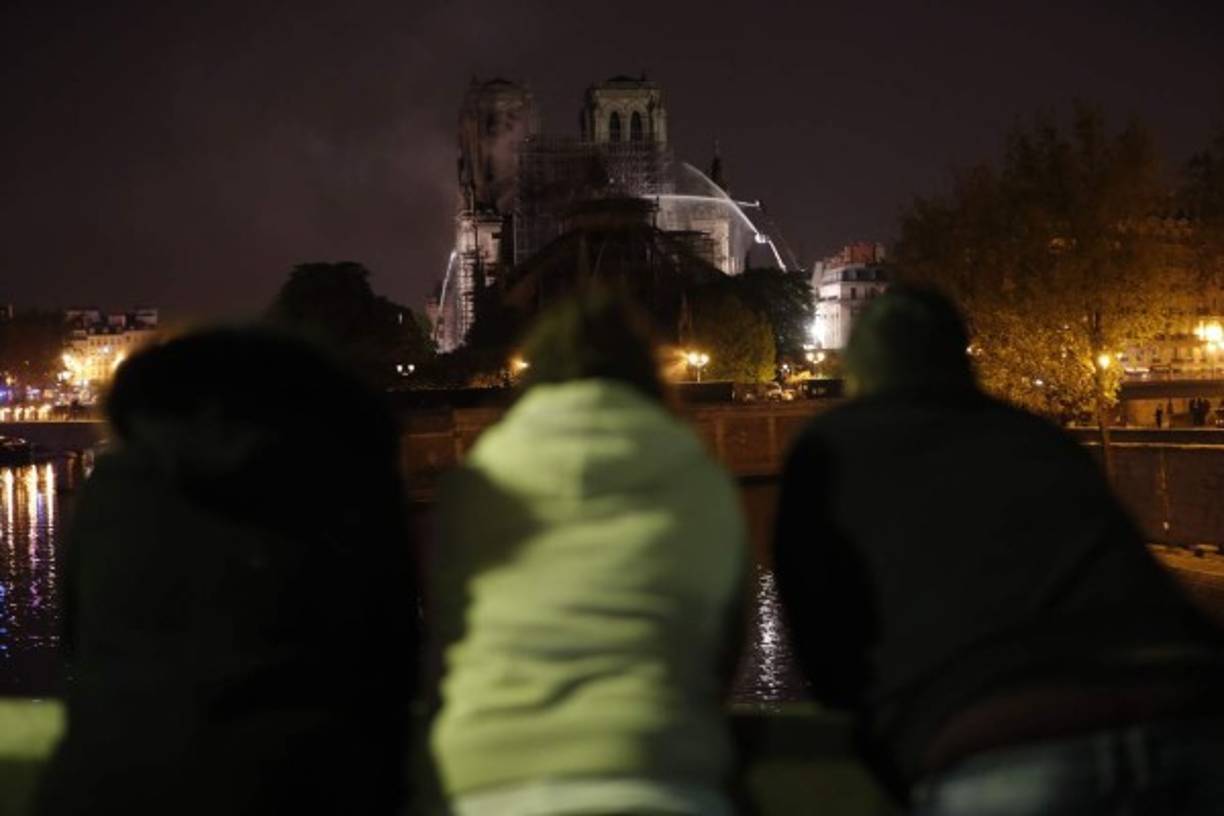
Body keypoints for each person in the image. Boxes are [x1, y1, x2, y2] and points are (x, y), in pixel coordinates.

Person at [774, 285, 1224, 815]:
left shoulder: (830, 448)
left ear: (859, 370)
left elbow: (821, 631)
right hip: (1189, 709)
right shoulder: (1036, 437)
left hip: (1001, 737)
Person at [37, 327, 418, 816]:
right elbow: (393, 654)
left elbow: (77, 645)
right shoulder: (342, 487)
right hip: (311, 787)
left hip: (102, 790)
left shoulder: (114, 492)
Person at [430, 290, 748, 816]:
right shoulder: (697, 474)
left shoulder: (479, 478)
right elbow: (723, 646)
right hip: (657, 774)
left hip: (490, 781)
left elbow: (448, 636)